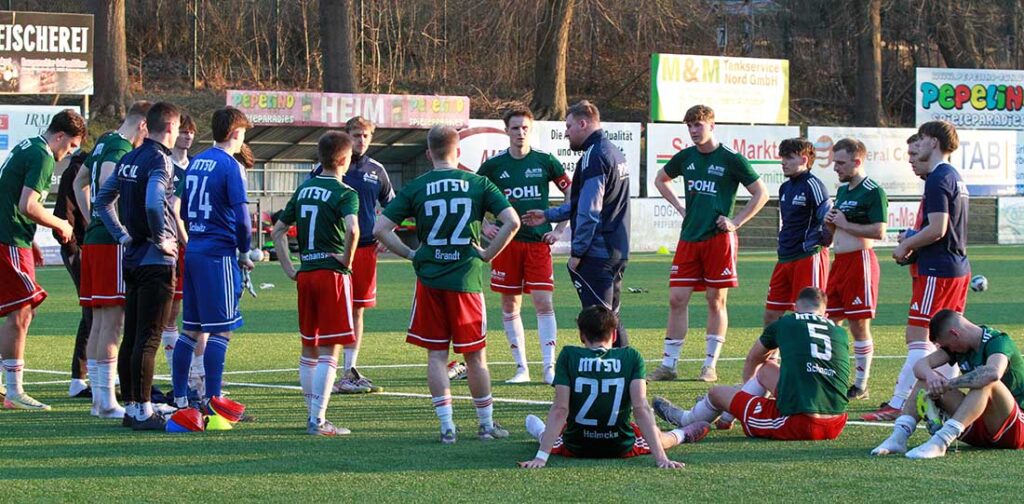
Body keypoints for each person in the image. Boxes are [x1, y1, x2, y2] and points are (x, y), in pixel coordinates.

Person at [374, 125, 519, 444]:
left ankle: (447, 426)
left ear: (429, 153)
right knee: (475, 356)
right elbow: (513, 221)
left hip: (430, 282)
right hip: (466, 280)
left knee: (436, 356)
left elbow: (381, 228)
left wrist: (412, 253)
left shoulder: (417, 185)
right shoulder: (478, 183)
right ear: (458, 151)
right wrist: (486, 253)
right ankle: (485, 425)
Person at [648, 104, 769, 382]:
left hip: (718, 240)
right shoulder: (686, 157)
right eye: (689, 125)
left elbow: (760, 193)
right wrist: (681, 208)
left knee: (716, 300)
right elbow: (661, 179)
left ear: (711, 125)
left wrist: (735, 221)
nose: (693, 130)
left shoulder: (731, 158)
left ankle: (709, 365)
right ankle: (669, 365)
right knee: (677, 298)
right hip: (689, 237)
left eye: (698, 125)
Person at [864, 121, 970, 421]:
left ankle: (899, 403)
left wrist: (907, 244)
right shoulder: (953, 176)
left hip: (939, 270)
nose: (917, 146)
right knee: (945, 338)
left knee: (917, 335)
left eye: (921, 139)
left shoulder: (938, 178)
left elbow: (938, 229)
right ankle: (947, 397)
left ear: (933, 142)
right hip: (954, 267)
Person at [518, 306, 706, 469]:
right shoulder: (631, 356)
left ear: (581, 335)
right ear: (614, 334)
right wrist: (661, 459)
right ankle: (681, 434)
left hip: (577, 445)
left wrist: (541, 458)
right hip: (619, 444)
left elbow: (560, 409)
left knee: (551, 437)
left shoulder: (568, 355)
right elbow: (640, 408)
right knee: (657, 436)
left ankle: (538, 430)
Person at [653, 287, 850, 441]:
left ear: (795, 308)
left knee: (717, 393)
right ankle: (728, 417)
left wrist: (741, 396)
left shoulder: (785, 322)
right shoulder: (839, 332)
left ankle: (685, 419)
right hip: (836, 422)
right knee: (767, 369)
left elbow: (753, 358)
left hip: (798, 423)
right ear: (824, 314)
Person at [521, 100, 631, 347]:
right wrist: (550, 215)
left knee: (599, 323)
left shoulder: (595, 156)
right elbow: (586, 203)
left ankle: (620, 378)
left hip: (598, 252)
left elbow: (590, 211)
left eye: (569, 126)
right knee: (610, 317)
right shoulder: (613, 151)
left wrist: (578, 252)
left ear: (583, 123)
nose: (566, 132)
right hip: (617, 249)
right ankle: (629, 379)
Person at [272, 131, 360, 436]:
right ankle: (319, 421)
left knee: (309, 348)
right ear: (345, 159)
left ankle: (311, 415)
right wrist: (347, 260)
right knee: (330, 350)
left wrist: (289, 268)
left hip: (306, 275)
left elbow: (277, 231)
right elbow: (353, 230)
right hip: (331, 276)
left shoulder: (305, 189)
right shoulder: (345, 192)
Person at [170, 107, 254, 418]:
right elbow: (243, 220)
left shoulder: (196, 163)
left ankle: (181, 400)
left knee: (190, 329)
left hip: (193, 251)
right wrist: (245, 251)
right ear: (235, 133)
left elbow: (184, 209)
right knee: (221, 331)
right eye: (243, 132)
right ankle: (215, 402)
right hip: (218, 254)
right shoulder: (230, 166)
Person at [478, 106, 571, 384]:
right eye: (515, 128)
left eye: (525, 128)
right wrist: (485, 225)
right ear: (506, 131)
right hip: (506, 245)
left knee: (543, 303)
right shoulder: (494, 166)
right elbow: (475, 196)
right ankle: (522, 368)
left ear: (532, 130)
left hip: (538, 244)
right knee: (510, 306)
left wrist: (560, 229)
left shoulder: (546, 161)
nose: (520, 133)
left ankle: (548, 367)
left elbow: (571, 192)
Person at [0, 109, 84, 410]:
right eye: (71, 146)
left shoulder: (29, 145)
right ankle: (14, 391)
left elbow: (10, 197)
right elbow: (28, 204)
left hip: (14, 237)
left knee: (24, 310)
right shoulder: (43, 155)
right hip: (7, 238)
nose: (69, 154)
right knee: (21, 310)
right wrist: (60, 224)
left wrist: (32, 238)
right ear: (60, 136)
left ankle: (6, 384)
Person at [306, 117, 394, 394]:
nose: (362, 140)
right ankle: (324, 367)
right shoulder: (322, 169)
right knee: (329, 307)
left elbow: (393, 205)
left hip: (365, 249)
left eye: (366, 135)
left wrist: (387, 234)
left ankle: (349, 369)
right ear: (346, 136)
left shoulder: (377, 170)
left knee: (357, 308)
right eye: (356, 135)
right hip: (332, 251)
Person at [76, 101, 151, 418]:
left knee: (98, 322)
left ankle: (99, 401)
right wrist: (120, 230)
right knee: (113, 322)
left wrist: (91, 216)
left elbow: (80, 181)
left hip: (95, 239)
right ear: (144, 126)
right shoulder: (120, 149)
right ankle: (106, 402)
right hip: (110, 244)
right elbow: (108, 184)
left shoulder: (104, 139)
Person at [872, 310, 1024, 458]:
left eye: (947, 345)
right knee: (925, 380)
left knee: (987, 382)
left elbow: (993, 373)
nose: (949, 349)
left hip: (1014, 429)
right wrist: (932, 377)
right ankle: (898, 437)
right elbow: (920, 365)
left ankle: (941, 442)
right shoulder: (959, 346)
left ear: (955, 334)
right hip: (977, 425)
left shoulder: (998, 341)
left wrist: (950, 384)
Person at [823, 138, 887, 400]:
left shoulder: (873, 191)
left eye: (840, 162)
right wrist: (831, 224)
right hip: (839, 264)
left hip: (860, 262)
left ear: (857, 161)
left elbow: (879, 231)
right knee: (829, 323)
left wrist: (845, 223)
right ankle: (831, 376)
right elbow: (838, 227)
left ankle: (860, 384)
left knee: (858, 325)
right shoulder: (844, 190)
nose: (835, 167)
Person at [763, 137, 831, 326]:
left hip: (808, 258)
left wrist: (823, 241)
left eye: (789, 157)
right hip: (785, 257)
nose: (783, 162)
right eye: (782, 157)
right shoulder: (785, 187)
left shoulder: (814, 185)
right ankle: (771, 357)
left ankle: (812, 354)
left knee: (809, 315)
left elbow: (829, 218)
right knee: (771, 315)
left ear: (804, 159)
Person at [53, 148, 92, 398]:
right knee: (94, 311)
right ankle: (80, 378)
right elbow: (63, 212)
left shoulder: (86, 167)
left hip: (92, 248)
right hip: (81, 249)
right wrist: (72, 250)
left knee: (97, 311)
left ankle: (88, 375)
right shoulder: (78, 169)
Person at [161, 113, 196, 390]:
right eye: (183, 131)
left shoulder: (197, 166)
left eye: (191, 132)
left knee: (195, 311)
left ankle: (195, 374)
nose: (187, 136)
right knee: (172, 310)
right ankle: (178, 373)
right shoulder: (164, 165)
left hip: (195, 242)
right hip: (174, 243)